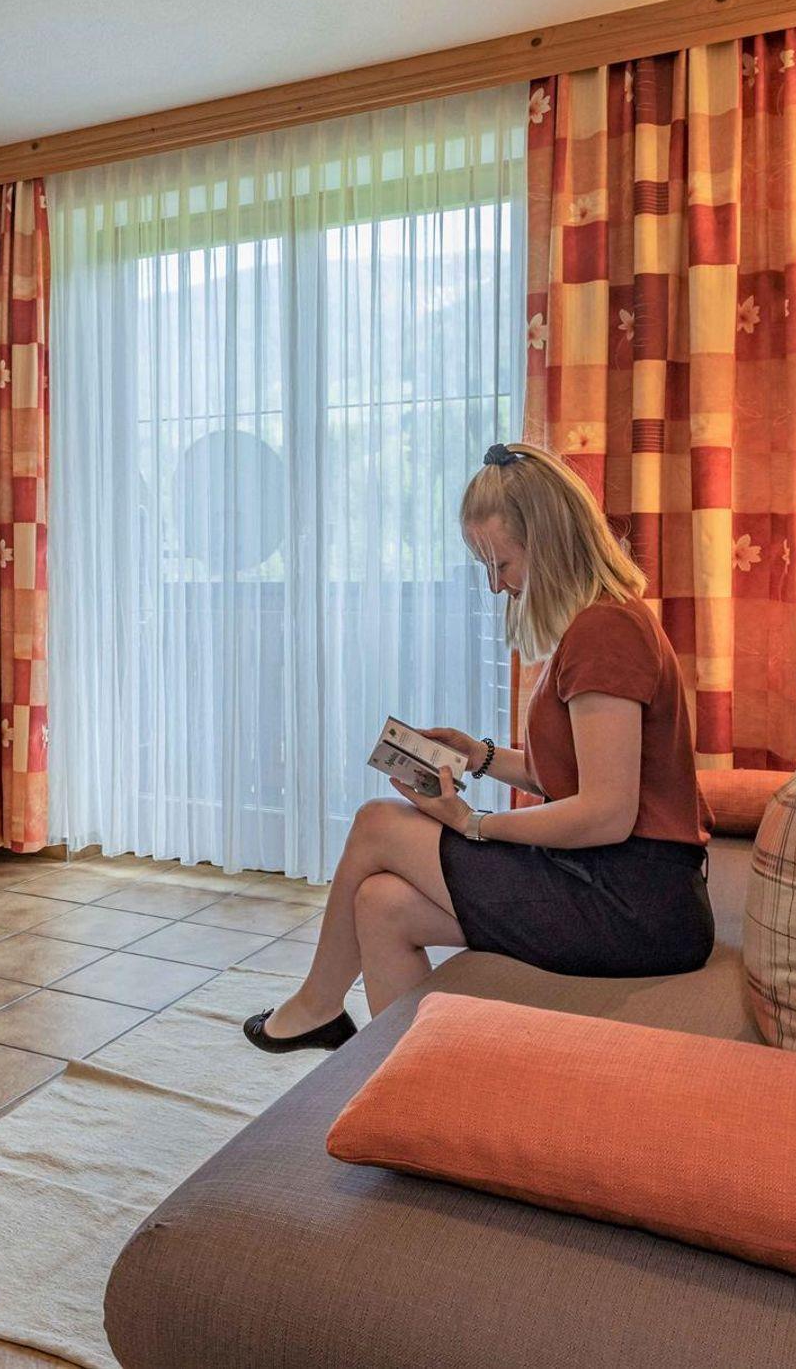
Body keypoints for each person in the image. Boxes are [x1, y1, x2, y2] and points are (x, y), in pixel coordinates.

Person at [244, 441, 714, 1053]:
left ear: (550, 545)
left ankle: (317, 1005)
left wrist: (472, 822)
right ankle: (407, 1081)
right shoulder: (601, 621)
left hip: (634, 901)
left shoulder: (605, 631)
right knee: (381, 903)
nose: (496, 587)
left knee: (378, 822)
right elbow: (571, 778)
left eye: (502, 565)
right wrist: (478, 755)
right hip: (615, 881)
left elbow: (606, 812)